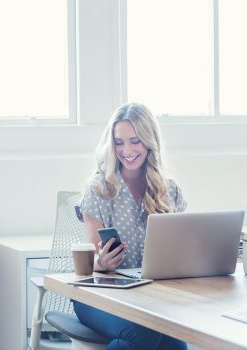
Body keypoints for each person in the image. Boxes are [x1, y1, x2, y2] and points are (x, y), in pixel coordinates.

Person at [74, 102, 187, 350]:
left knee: (176, 344)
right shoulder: (98, 189)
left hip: (150, 297)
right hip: (98, 295)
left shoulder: (170, 191)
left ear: (149, 141)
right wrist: (101, 263)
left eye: (135, 141)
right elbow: (91, 263)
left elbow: (179, 255)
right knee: (144, 331)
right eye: (119, 142)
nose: (126, 150)